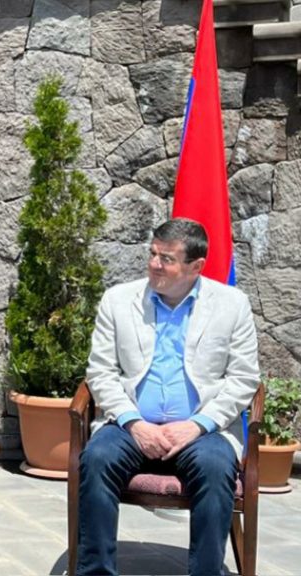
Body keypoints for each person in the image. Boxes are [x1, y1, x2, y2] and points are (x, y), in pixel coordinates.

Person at [76, 218, 259, 575]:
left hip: (201, 430)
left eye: (167, 259)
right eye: (153, 254)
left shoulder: (232, 304)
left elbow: (244, 378)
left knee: (215, 466)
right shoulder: (118, 300)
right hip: (130, 424)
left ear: (196, 266)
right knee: (97, 458)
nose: (154, 264)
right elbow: (100, 372)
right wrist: (133, 422)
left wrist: (198, 425)